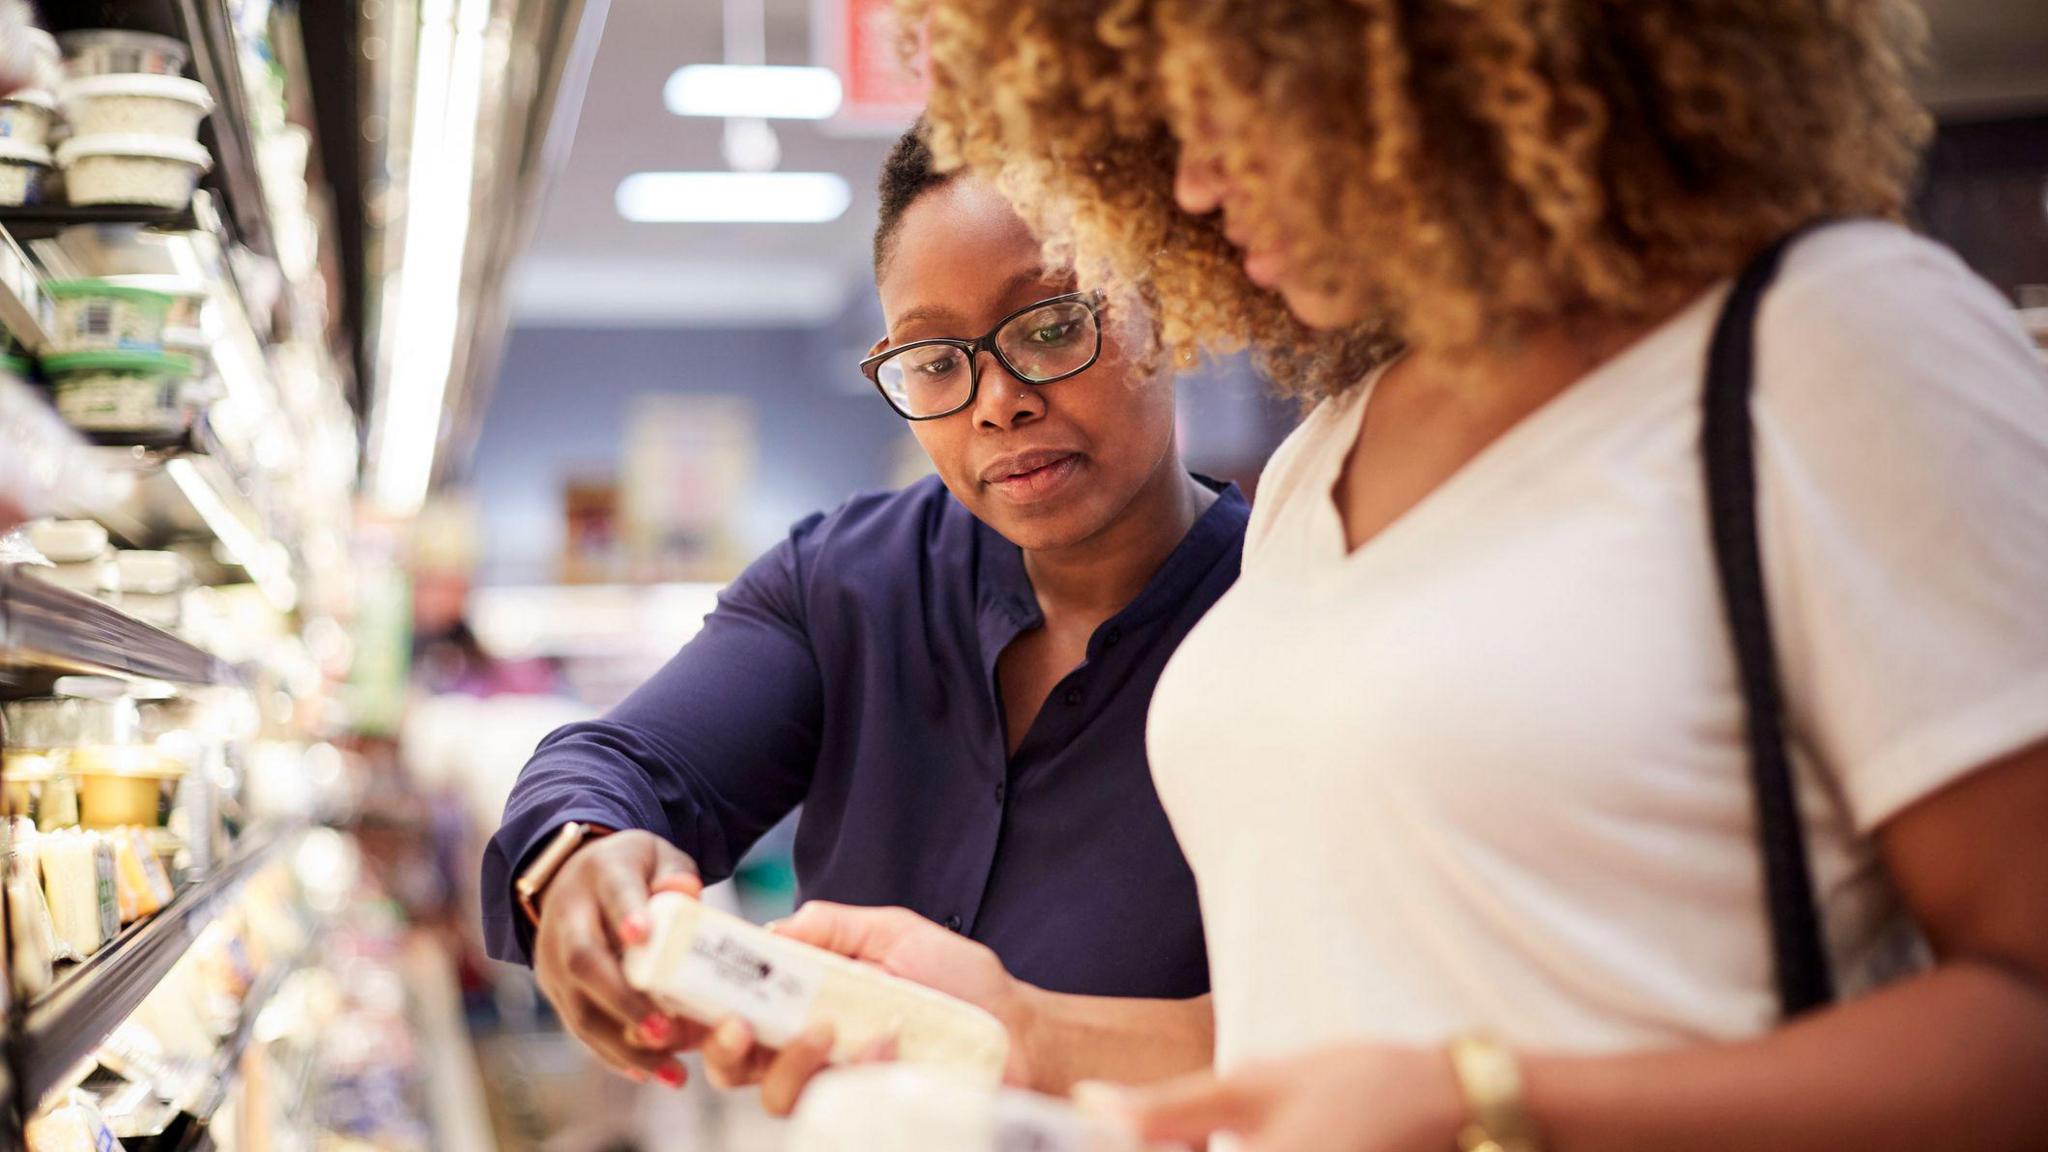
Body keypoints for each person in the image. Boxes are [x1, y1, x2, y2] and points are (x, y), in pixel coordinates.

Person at [738, 2, 2048, 1147]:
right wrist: (1020, 1023)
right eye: (1160, 122)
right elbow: (1320, 1031)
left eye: (1234, 99)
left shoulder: (1830, 346)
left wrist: (1498, 1104)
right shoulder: (1323, 459)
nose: (1190, 182)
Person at [478, 124, 1243, 1106]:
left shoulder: (1286, 614)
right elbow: (617, 768)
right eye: (933, 361)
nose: (995, 403)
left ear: (1167, 307)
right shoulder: (845, 582)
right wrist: (582, 861)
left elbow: (1358, 1026)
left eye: (1051, 324)